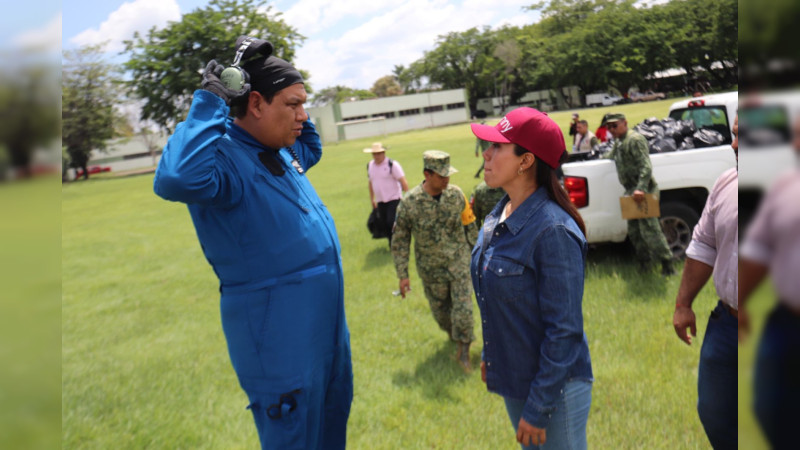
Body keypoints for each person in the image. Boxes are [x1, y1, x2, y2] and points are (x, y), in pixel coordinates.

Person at [152, 36, 352, 449]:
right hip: (281, 342)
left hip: (326, 336)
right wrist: (214, 98)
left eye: (304, 104)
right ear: (256, 104)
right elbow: (176, 179)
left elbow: (310, 145)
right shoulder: (222, 157)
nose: (303, 116)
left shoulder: (279, 149)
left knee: (331, 429)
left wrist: (273, 76)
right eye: (293, 105)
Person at [470, 107, 593, 450]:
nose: (486, 154)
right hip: (517, 378)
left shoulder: (553, 231)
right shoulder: (499, 214)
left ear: (526, 161)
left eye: (497, 147)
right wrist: (490, 358)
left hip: (554, 389)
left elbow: (564, 330)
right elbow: (497, 298)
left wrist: (539, 408)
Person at [672, 115, 738, 450]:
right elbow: (704, 246)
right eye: (737, 135)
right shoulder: (728, 183)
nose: (736, 146)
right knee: (715, 412)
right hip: (729, 323)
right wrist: (684, 304)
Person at [739, 116, 800, 449]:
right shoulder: (786, 185)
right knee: (770, 406)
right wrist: (742, 298)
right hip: (787, 322)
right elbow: (759, 247)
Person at [391, 150, 478, 373]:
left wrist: (479, 256)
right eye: (441, 176)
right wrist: (403, 275)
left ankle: (464, 351)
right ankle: (452, 333)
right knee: (442, 314)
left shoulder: (456, 195)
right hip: (431, 270)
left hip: (459, 263)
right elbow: (400, 240)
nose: (447, 179)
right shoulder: (409, 203)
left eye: (448, 174)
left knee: (464, 310)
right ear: (427, 174)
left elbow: (470, 226)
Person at [604, 113, 674, 275]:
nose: (612, 130)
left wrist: (641, 188)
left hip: (643, 190)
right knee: (635, 232)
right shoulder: (619, 142)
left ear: (625, 123)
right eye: (609, 127)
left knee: (650, 229)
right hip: (630, 190)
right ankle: (644, 266)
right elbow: (610, 156)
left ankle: (667, 264)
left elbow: (646, 166)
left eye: (615, 126)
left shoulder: (634, 140)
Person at [364, 142, 408, 244]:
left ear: (384, 153)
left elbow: (403, 181)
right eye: (374, 154)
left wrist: (408, 196)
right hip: (380, 200)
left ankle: (398, 241)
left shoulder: (392, 165)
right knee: (384, 223)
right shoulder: (370, 166)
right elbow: (371, 183)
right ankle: (391, 243)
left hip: (394, 198)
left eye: (379, 153)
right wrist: (372, 199)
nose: (377, 156)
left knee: (391, 221)